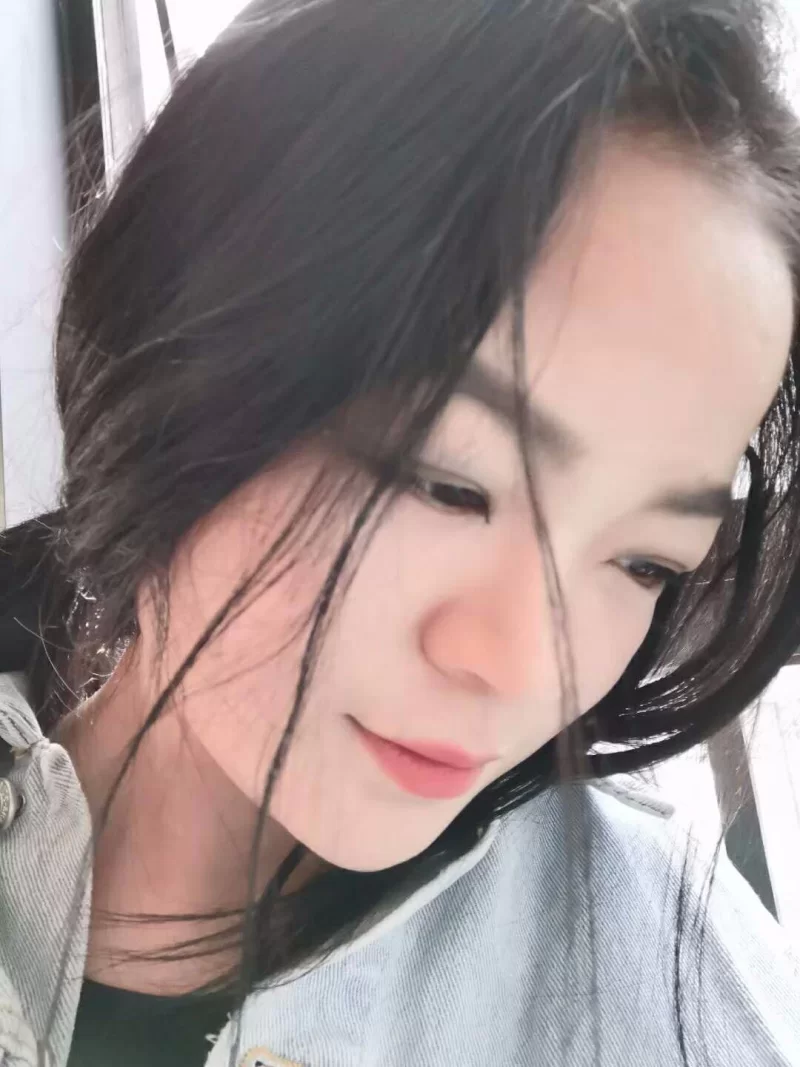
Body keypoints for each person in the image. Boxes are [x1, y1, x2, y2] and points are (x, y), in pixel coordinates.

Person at [1, 0, 800, 1063]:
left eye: (644, 561)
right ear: (176, 338)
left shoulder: (667, 984)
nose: (525, 667)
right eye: (446, 483)